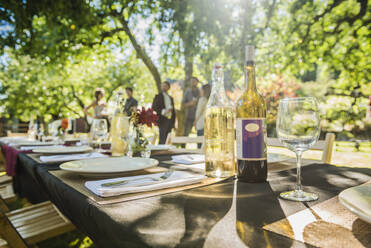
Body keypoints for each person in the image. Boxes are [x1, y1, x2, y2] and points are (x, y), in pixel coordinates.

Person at [194, 84, 211, 148]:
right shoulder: (209, 100)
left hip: (201, 122)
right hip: (207, 123)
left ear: (204, 91)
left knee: (200, 143)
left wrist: (195, 121)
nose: (200, 91)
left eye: (201, 90)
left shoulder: (202, 99)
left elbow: (199, 111)